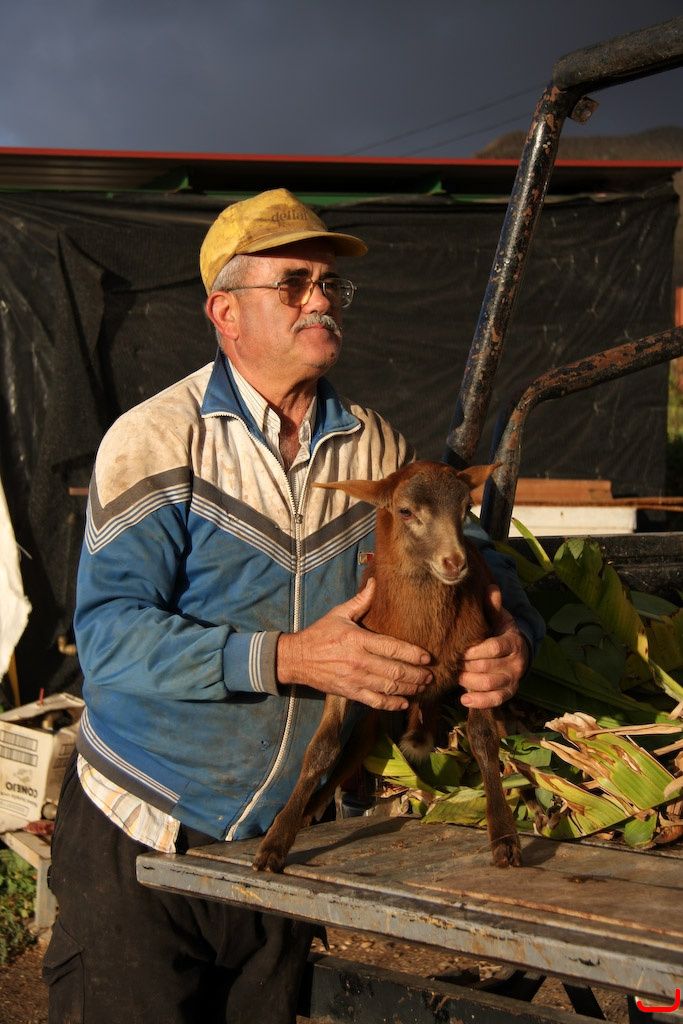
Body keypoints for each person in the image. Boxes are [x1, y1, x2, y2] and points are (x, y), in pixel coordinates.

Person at [43, 188, 545, 1023]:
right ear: (225, 312)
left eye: (330, 284)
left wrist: (514, 635)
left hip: (292, 835)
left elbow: (475, 554)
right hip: (149, 826)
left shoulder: (375, 447)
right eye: (294, 283)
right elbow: (109, 640)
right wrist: (289, 657)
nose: (321, 299)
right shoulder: (157, 439)